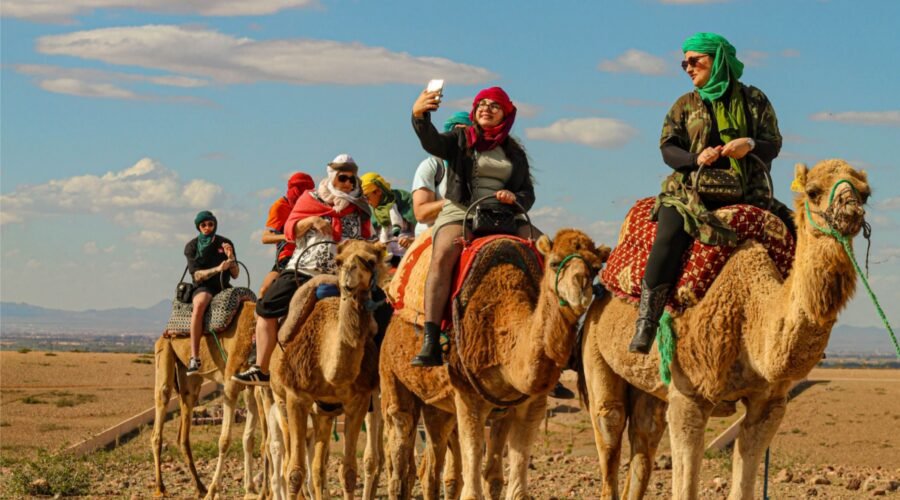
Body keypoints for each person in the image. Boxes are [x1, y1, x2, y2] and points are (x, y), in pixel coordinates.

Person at [629, 32, 792, 354]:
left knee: (794, 233)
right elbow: (667, 148)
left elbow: (773, 144)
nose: (688, 68)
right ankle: (647, 321)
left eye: (694, 61)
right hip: (690, 192)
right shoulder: (684, 104)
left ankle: (798, 322)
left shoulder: (755, 100)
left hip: (749, 192)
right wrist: (695, 158)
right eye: (684, 63)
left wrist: (750, 144)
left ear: (718, 61)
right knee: (668, 235)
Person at [409, 86, 537, 367]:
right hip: (462, 210)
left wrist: (514, 198)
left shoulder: (515, 151)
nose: (486, 109)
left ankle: (548, 335)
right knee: (443, 255)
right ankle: (431, 338)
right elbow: (432, 143)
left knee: (547, 252)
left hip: (505, 213)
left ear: (506, 114)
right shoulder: (460, 139)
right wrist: (420, 116)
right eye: (481, 104)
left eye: (494, 105)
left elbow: (528, 192)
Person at [232, 154, 373, 385]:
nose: (348, 183)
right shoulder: (310, 199)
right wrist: (311, 221)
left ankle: (376, 374)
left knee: (379, 310)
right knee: (266, 306)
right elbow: (289, 230)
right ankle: (262, 367)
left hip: (346, 273)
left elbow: (368, 237)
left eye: (352, 179)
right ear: (332, 176)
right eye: (343, 178)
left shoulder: (361, 206)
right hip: (305, 268)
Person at [183, 211, 238, 376]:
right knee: (200, 304)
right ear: (198, 227)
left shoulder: (225, 243)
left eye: (210, 224)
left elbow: (235, 274)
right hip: (204, 286)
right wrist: (218, 269)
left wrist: (231, 258)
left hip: (224, 286)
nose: (207, 227)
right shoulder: (191, 247)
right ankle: (194, 357)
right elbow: (197, 275)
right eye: (203, 225)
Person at [411, 111, 472, 235]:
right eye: (456, 130)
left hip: (472, 229)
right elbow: (421, 214)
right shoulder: (432, 166)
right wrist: (456, 202)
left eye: (466, 131)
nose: (460, 136)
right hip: (432, 233)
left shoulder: (483, 165)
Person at [259, 172, 315, 297]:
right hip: (287, 258)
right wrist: (288, 236)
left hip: (311, 257)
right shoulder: (280, 206)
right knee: (265, 290)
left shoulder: (314, 205)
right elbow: (265, 238)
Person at [360, 172, 417, 265]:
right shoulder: (372, 211)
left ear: (378, 191)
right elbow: (371, 238)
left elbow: (421, 233)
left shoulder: (403, 202)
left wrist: (411, 240)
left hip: (410, 258)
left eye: (367, 197)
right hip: (386, 262)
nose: (367, 202)